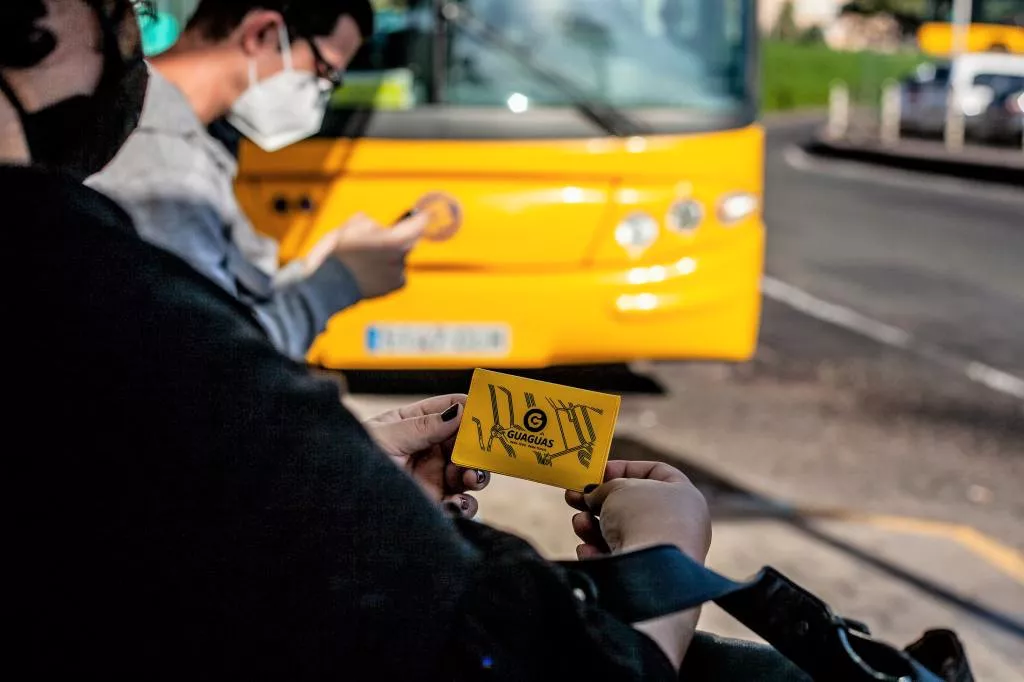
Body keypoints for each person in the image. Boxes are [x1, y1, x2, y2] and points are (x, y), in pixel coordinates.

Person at [3, 1, 715, 679]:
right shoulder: (91, 242)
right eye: (120, 6)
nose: (133, 35)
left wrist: (342, 466)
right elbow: (543, 661)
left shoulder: (144, 203)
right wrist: (667, 555)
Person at [88, 0, 429, 360]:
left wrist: (315, 268)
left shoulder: (155, 127)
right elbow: (211, 360)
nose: (320, 95)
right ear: (262, 34)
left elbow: (219, 304)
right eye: (324, 71)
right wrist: (339, 280)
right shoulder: (166, 162)